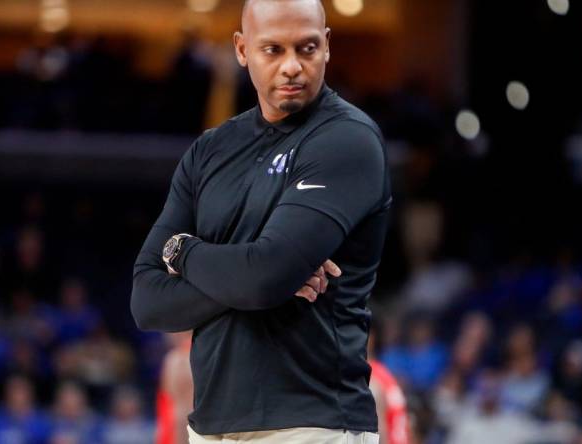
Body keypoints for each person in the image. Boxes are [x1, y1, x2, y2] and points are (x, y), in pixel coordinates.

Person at [130, 0, 390, 442]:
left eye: (306, 49)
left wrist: (183, 251)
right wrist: (256, 276)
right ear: (242, 49)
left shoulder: (348, 140)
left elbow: (264, 277)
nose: (292, 66)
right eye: (273, 50)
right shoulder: (209, 150)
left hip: (313, 425)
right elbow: (147, 301)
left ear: (326, 46)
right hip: (209, 428)